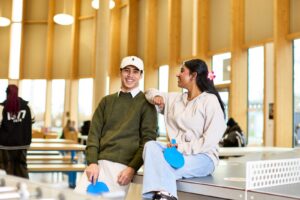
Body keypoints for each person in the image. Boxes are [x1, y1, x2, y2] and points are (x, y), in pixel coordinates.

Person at [142, 59, 226, 200]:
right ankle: (165, 196)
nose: (177, 74)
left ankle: (158, 197)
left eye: (182, 71)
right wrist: (156, 97)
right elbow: (149, 92)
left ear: (193, 76)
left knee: (159, 166)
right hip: (176, 155)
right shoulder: (175, 99)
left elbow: (210, 141)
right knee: (150, 146)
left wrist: (181, 148)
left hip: (203, 157)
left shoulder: (210, 101)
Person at [75, 56, 157, 195]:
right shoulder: (106, 101)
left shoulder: (146, 104)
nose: (130, 75)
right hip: (98, 165)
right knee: (76, 197)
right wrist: (92, 162)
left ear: (141, 75)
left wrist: (132, 168)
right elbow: (93, 135)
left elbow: (148, 141)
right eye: (127, 70)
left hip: (122, 168)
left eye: (135, 71)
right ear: (120, 72)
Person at [0, 84, 35, 178]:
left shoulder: (2, 107)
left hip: (5, 145)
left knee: (6, 169)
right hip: (22, 144)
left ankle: (7, 191)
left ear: (6, 93)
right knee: (22, 168)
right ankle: (24, 189)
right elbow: (32, 120)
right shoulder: (27, 106)